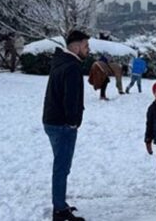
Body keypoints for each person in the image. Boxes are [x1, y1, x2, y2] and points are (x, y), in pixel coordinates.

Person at [42, 30, 90, 221]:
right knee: (62, 167)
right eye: (86, 46)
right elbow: (70, 98)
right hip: (62, 124)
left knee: (60, 166)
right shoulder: (71, 67)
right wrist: (73, 122)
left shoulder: (60, 61)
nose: (89, 49)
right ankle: (60, 210)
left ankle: (60, 203)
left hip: (51, 120)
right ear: (76, 46)